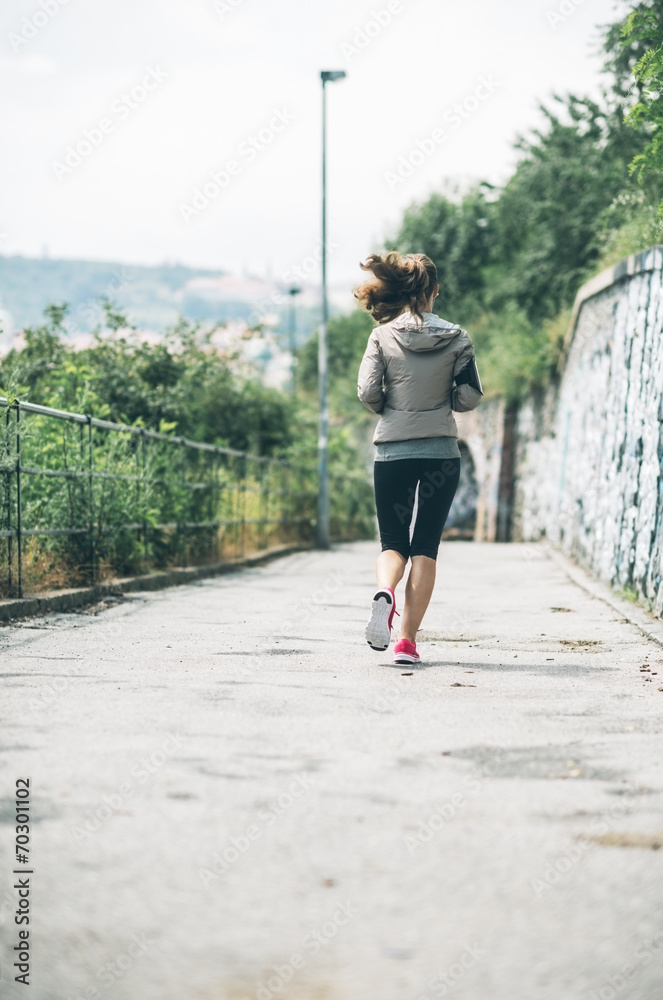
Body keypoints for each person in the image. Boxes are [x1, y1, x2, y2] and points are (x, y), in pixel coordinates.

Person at [356, 251, 483, 665]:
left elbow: (368, 392)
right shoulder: (458, 336)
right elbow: (469, 397)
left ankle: (385, 593)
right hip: (440, 455)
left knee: (392, 543)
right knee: (425, 547)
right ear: (433, 292)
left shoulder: (381, 336)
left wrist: (391, 411)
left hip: (392, 452)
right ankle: (406, 643)